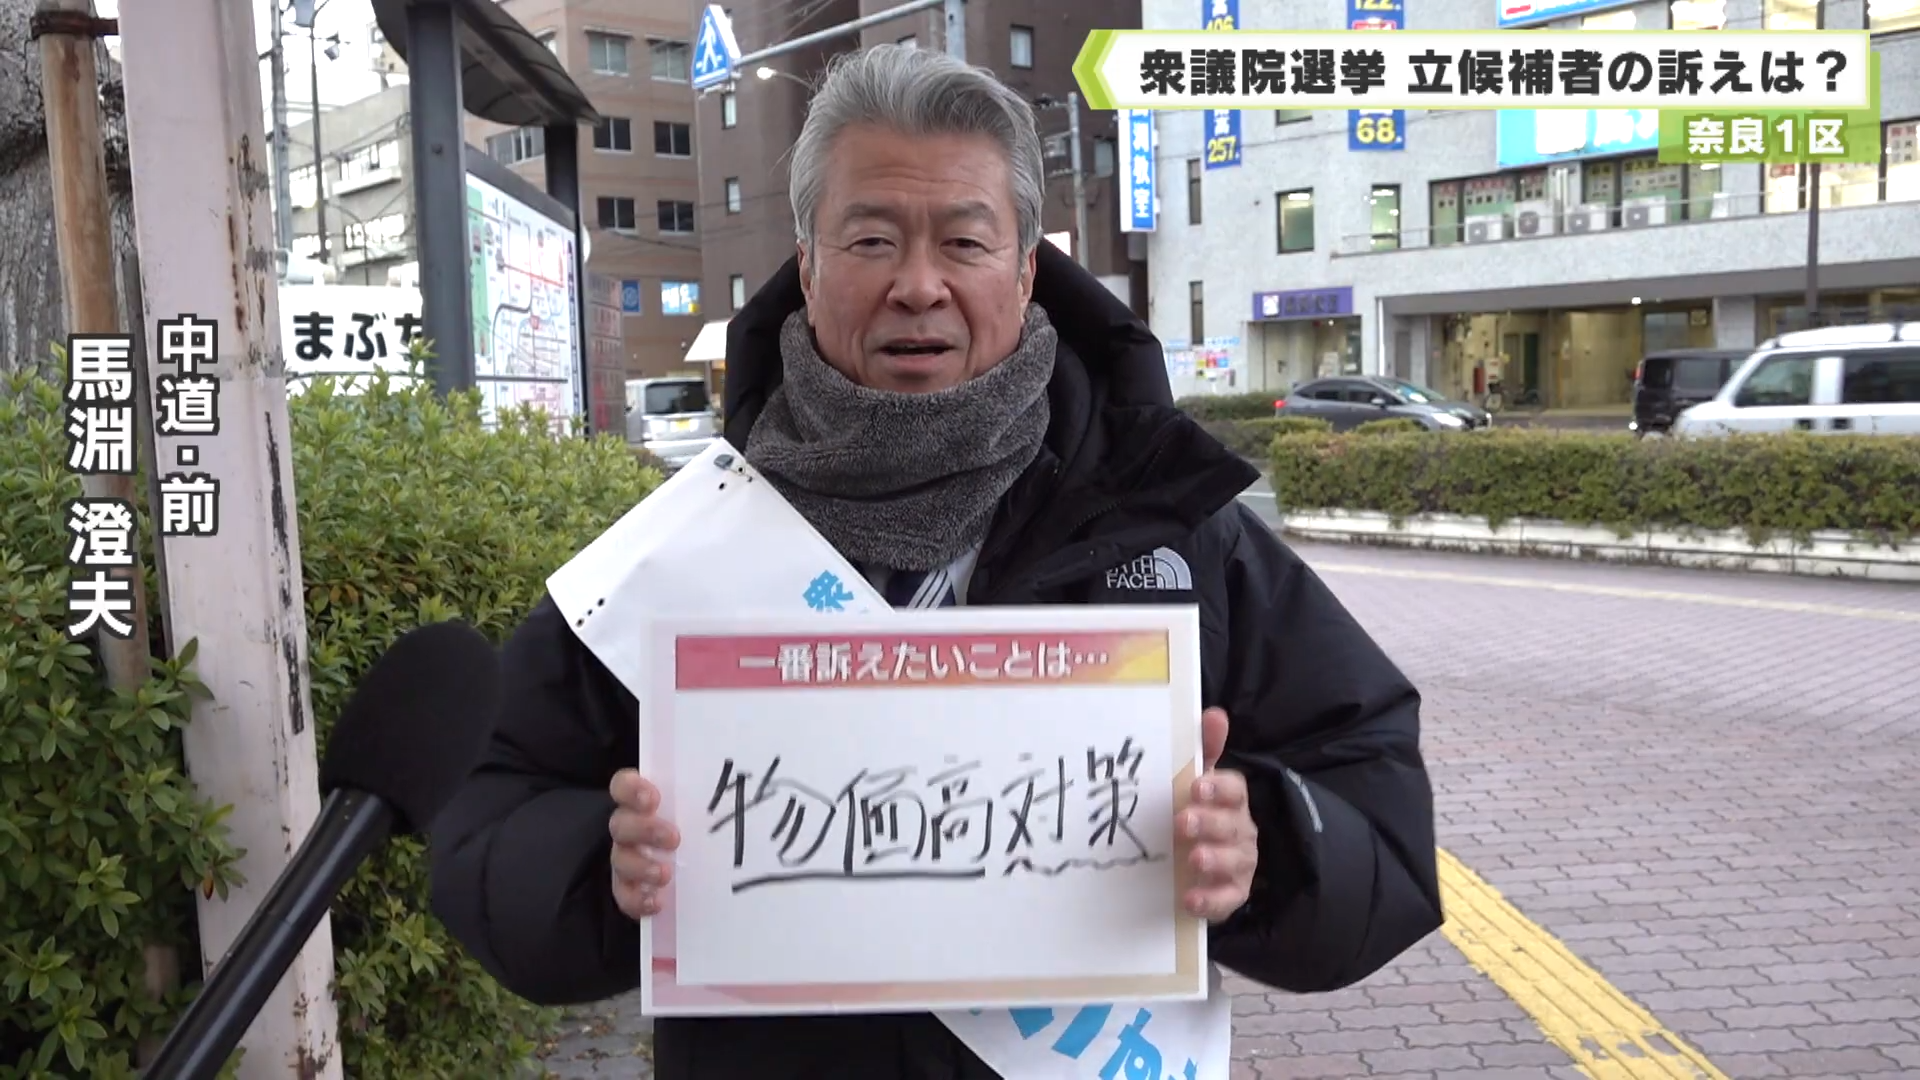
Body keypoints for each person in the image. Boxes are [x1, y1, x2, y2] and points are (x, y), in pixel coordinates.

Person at [430, 44, 1441, 1079]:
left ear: (1026, 269)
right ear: (808, 265)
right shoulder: (686, 549)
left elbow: (1377, 806)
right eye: (871, 239)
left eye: (964, 241)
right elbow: (485, 811)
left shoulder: (1169, 525)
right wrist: (601, 863)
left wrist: (1267, 844)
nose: (918, 286)